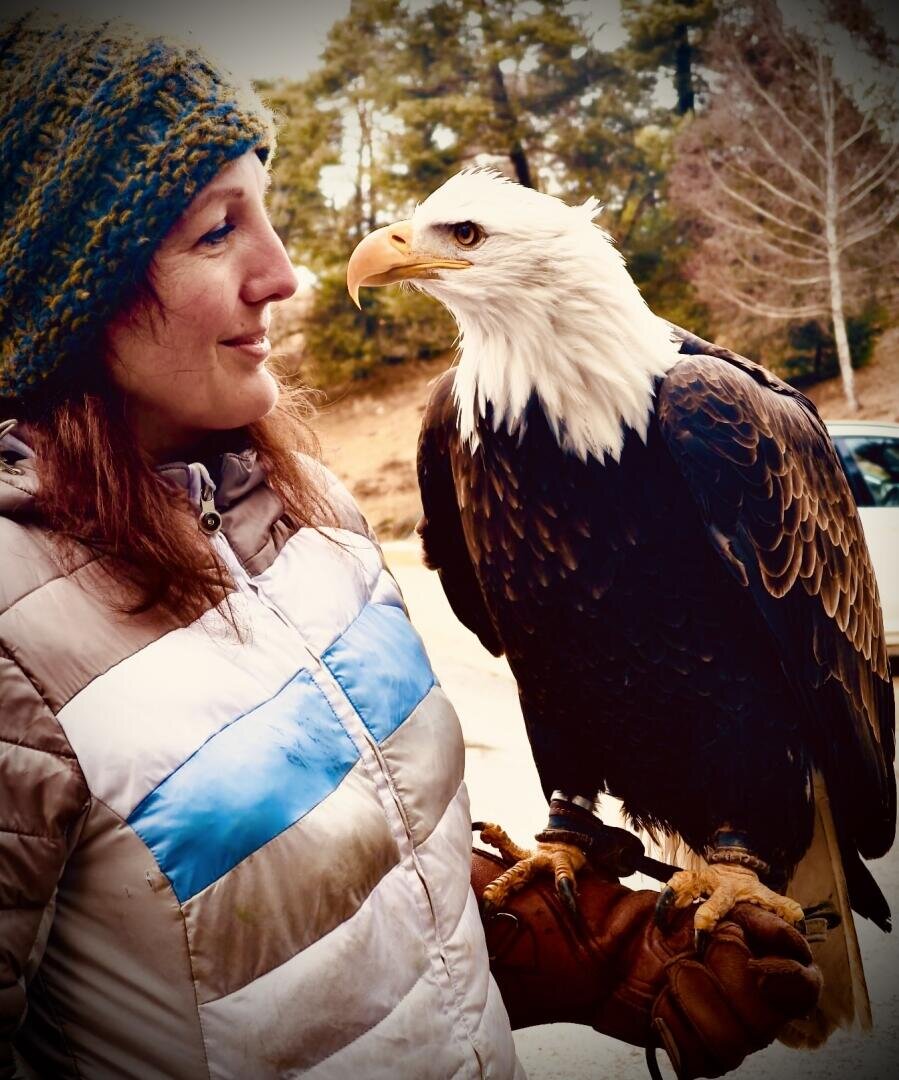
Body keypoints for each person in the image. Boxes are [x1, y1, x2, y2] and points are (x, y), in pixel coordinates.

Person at [0, 15, 821, 1079]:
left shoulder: (316, 519)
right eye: (216, 231)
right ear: (73, 285)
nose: (288, 274)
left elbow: (348, 887)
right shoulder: (16, 637)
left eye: (272, 213)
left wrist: (541, 954)